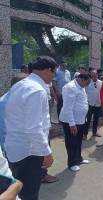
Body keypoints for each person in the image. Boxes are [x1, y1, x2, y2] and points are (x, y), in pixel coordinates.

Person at [5, 56, 56, 200]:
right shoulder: (37, 90)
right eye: (54, 72)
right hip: (29, 151)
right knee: (29, 192)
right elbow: (34, 128)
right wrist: (46, 153)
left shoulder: (20, 84)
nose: (53, 76)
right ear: (47, 70)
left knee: (18, 189)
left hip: (16, 147)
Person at [59, 73, 91, 172]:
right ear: (81, 79)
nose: (86, 85)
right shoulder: (71, 87)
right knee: (71, 142)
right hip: (71, 121)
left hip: (80, 120)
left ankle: (78, 159)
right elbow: (68, 107)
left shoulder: (80, 86)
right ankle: (72, 163)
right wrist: (72, 124)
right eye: (86, 83)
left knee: (78, 141)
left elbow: (82, 102)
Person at [84, 70, 103, 140]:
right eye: (92, 75)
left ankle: (94, 132)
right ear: (91, 76)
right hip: (89, 104)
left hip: (98, 104)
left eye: (95, 75)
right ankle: (85, 134)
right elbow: (84, 92)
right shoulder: (88, 83)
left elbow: (102, 93)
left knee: (96, 119)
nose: (94, 77)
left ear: (97, 75)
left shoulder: (101, 82)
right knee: (87, 120)